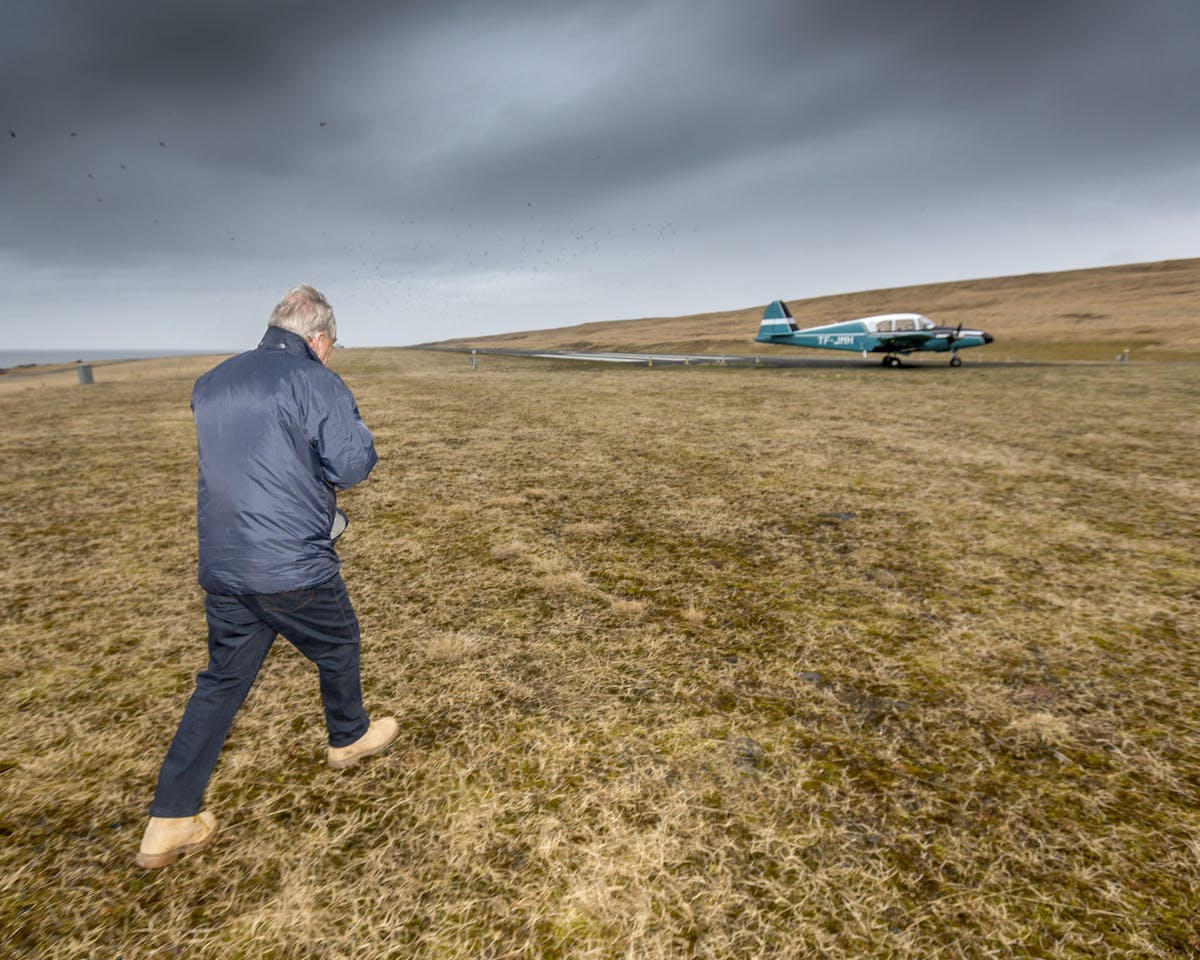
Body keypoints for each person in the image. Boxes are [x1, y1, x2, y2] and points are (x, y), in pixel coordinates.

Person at [136, 284, 397, 869]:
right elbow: (351, 463)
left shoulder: (213, 381)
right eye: (333, 344)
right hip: (290, 562)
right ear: (319, 336)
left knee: (221, 682)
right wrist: (362, 436)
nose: (331, 353)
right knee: (339, 642)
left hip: (226, 565)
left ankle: (169, 820)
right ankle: (348, 737)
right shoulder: (314, 379)